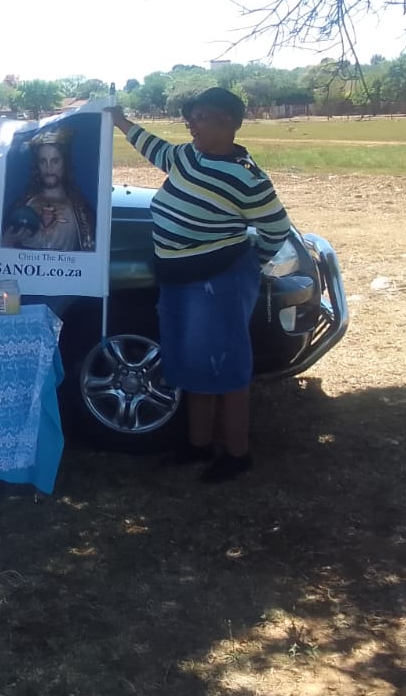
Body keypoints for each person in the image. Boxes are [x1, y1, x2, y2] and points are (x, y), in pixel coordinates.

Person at [107, 87, 292, 483]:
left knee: (225, 367)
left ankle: (237, 454)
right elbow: (156, 149)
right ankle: (198, 445)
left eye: (201, 117)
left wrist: (251, 265)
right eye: (191, 116)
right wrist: (120, 121)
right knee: (192, 364)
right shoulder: (190, 156)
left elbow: (276, 227)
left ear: (228, 123)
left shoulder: (246, 177)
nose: (191, 123)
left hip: (217, 283)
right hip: (178, 280)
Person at [1, 130, 96, 251]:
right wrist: (7, 242)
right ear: (37, 166)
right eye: (43, 162)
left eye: (55, 161)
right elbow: (2, 248)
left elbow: (91, 251)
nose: (49, 168)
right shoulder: (22, 204)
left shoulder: (81, 211)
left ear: (65, 163)